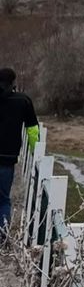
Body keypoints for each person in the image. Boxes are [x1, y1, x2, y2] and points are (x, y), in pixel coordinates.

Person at [0, 68, 39, 242]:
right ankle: (2, 236)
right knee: (3, 200)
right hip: (7, 159)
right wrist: (35, 153)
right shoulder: (23, 101)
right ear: (13, 82)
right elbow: (32, 130)